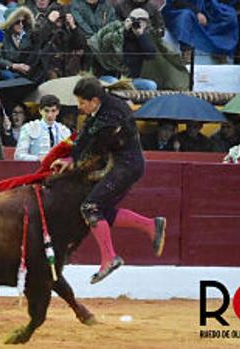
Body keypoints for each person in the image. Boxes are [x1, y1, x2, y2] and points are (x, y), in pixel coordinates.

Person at [51, 78, 166, 284]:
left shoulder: (110, 115)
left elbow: (95, 146)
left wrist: (76, 163)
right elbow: (86, 135)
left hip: (126, 166)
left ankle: (109, 258)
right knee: (98, 210)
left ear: (94, 100)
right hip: (125, 164)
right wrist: (71, 158)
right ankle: (150, 225)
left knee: (90, 207)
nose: (80, 107)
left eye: (82, 103)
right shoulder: (103, 109)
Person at [15, 94, 71, 161]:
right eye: (46, 111)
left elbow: (70, 156)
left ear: (58, 111)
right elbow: (19, 155)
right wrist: (38, 158)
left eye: (53, 111)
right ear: (40, 111)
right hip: (36, 168)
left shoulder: (65, 131)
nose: (50, 115)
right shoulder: (29, 128)